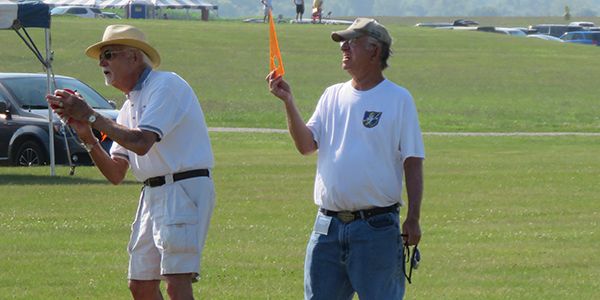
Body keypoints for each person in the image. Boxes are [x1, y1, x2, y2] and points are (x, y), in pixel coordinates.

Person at [47, 24, 215, 300]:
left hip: (182, 189)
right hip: (152, 193)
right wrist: (86, 133)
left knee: (175, 281)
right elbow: (116, 173)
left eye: (109, 53)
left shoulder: (166, 85)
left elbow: (142, 142)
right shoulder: (128, 105)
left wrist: (91, 116)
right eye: (102, 56)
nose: (102, 62)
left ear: (135, 57)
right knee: (140, 285)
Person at [266, 18, 424, 299]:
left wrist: (413, 218)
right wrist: (288, 101)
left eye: (352, 42)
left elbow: (413, 161)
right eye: (343, 43)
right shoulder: (332, 95)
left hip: (377, 229)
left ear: (375, 51)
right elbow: (306, 146)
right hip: (326, 227)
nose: (344, 48)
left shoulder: (399, 99)